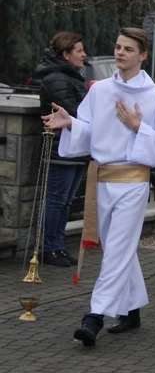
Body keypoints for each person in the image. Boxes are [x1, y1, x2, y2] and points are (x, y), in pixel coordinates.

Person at [42, 27, 155, 347]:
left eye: (128, 49)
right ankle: (131, 311)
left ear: (142, 55)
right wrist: (70, 123)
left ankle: (94, 317)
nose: (120, 53)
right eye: (118, 47)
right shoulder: (100, 90)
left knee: (117, 249)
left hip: (132, 181)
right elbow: (90, 130)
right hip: (101, 179)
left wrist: (138, 127)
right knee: (118, 248)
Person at [36, 32, 89, 268]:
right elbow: (74, 112)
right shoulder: (57, 78)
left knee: (66, 202)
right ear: (66, 54)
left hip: (75, 149)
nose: (84, 54)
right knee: (57, 201)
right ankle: (49, 248)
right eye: (79, 50)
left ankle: (57, 246)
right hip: (61, 150)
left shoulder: (70, 76)